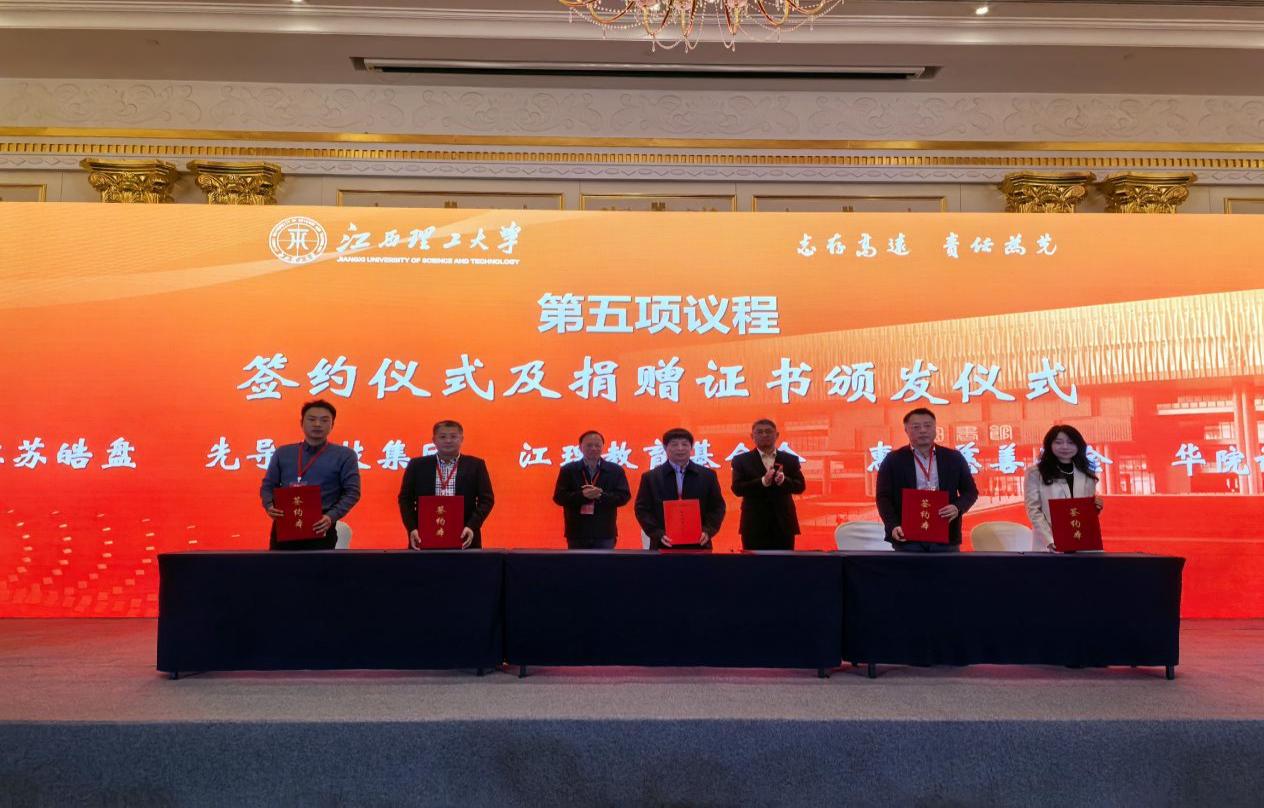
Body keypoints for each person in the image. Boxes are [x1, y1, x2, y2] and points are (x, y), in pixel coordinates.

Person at [260, 399, 362, 551]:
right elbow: (268, 485)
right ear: (302, 423)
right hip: (285, 523)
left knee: (319, 566)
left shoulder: (345, 455)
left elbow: (352, 492)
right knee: (280, 566)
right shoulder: (283, 453)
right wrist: (269, 505)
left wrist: (331, 516)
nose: (317, 424)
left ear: (332, 425)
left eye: (324, 420)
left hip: (321, 525)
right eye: (312, 419)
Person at [875, 407, 978, 552]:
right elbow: (883, 497)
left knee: (947, 567)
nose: (923, 430)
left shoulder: (953, 458)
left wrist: (957, 507)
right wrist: (892, 525)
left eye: (928, 425)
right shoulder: (893, 460)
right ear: (906, 430)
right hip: (907, 536)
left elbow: (970, 492)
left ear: (935, 429)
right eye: (916, 427)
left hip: (946, 534)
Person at [397, 420, 494, 549]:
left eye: (453, 436)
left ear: (461, 439)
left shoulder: (475, 465)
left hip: (465, 536)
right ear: (434, 440)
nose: (448, 441)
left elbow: (487, 500)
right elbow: (405, 499)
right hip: (423, 536)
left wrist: (472, 526)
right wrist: (412, 528)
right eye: (442, 437)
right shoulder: (417, 465)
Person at [634, 427, 726, 550]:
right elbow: (642, 509)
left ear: (691, 447)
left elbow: (717, 507)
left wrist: (708, 531)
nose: (680, 448)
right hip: (663, 543)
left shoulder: (708, 475)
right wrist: (657, 533)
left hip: (700, 543)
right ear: (665, 447)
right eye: (674, 444)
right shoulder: (651, 477)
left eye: (685, 444)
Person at [730, 418, 806, 551]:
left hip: (783, 524)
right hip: (754, 524)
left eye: (768, 431)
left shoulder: (790, 459)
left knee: (784, 563)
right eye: (759, 432)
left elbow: (800, 486)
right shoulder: (741, 460)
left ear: (777, 435)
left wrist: (784, 481)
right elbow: (737, 488)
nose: (764, 435)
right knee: (754, 563)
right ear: (752, 436)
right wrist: (763, 482)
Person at [1025, 424, 1104, 551]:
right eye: (1058, 442)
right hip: (1050, 542)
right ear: (1049, 445)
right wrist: (1050, 540)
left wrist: (1095, 507)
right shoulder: (1035, 473)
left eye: (1071, 442)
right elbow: (1033, 510)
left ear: (1079, 445)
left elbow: (1083, 510)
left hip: (1081, 540)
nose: (1065, 447)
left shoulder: (1087, 472)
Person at [552, 430, 631, 549]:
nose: (593, 448)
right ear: (580, 447)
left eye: (597, 445)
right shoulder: (568, 470)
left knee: (604, 561)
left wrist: (600, 495)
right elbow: (559, 497)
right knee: (577, 561)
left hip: (604, 532)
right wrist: (582, 496)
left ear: (603, 447)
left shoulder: (615, 470)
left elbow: (624, 497)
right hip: (577, 532)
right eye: (589, 445)